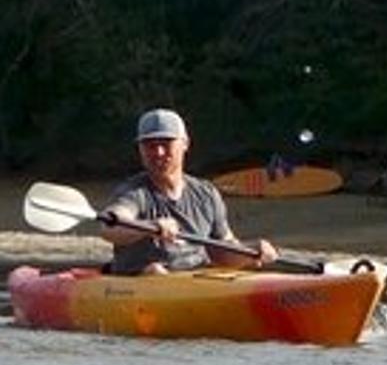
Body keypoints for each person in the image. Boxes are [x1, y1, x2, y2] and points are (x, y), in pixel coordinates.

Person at [99, 108, 278, 275]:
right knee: (155, 271)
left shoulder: (206, 193)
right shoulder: (133, 192)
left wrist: (250, 252)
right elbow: (110, 227)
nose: (158, 152)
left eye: (166, 143)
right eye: (150, 145)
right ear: (140, 149)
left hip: (195, 279)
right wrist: (149, 227)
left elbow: (222, 252)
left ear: (185, 144)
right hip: (142, 282)